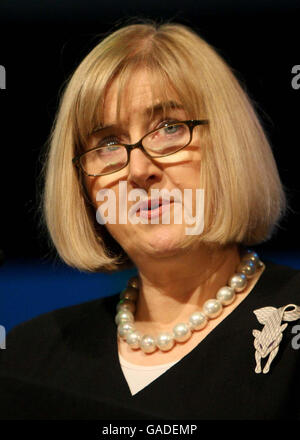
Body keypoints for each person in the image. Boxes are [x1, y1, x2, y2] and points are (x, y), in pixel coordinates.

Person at [0, 19, 300, 421]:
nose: (139, 169)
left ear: (228, 146)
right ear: (85, 189)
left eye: (169, 128)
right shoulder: (28, 357)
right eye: (107, 144)